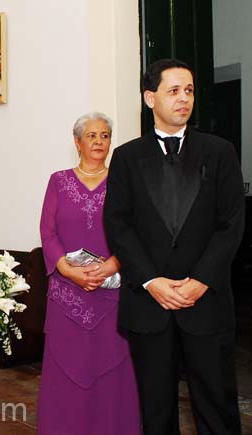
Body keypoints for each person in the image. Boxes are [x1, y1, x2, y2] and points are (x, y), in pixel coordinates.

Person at [104, 59, 244, 435]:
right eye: (173, 91)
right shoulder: (127, 158)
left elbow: (231, 224)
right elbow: (118, 225)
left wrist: (201, 279)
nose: (184, 99)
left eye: (190, 90)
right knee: (156, 408)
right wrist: (151, 281)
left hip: (207, 302)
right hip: (149, 305)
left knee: (218, 406)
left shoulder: (220, 152)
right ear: (150, 98)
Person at [37, 112, 140, 435]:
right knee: (66, 367)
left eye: (105, 135)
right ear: (77, 141)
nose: (99, 141)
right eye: (92, 135)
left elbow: (136, 230)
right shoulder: (58, 180)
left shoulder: (123, 181)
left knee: (112, 365)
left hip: (112, 292)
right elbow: (47, 232)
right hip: (67, 293)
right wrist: (68, 270)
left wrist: (113, 264)